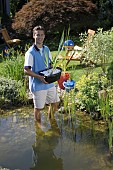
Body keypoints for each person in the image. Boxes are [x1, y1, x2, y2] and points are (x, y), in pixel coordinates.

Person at [24, 25, 60, 122]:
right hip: (38, 85)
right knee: (39, 108)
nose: (39, 37)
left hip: (49, 83)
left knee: (55, 102)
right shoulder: (30, 53)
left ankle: (51, 120)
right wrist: (39, 77)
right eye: (37, 35)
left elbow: (50, 65)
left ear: (44, 36)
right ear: (33, 36)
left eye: (41, 35)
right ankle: (39, 127)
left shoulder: (46, 49)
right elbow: (26, 70)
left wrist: (55, 73)